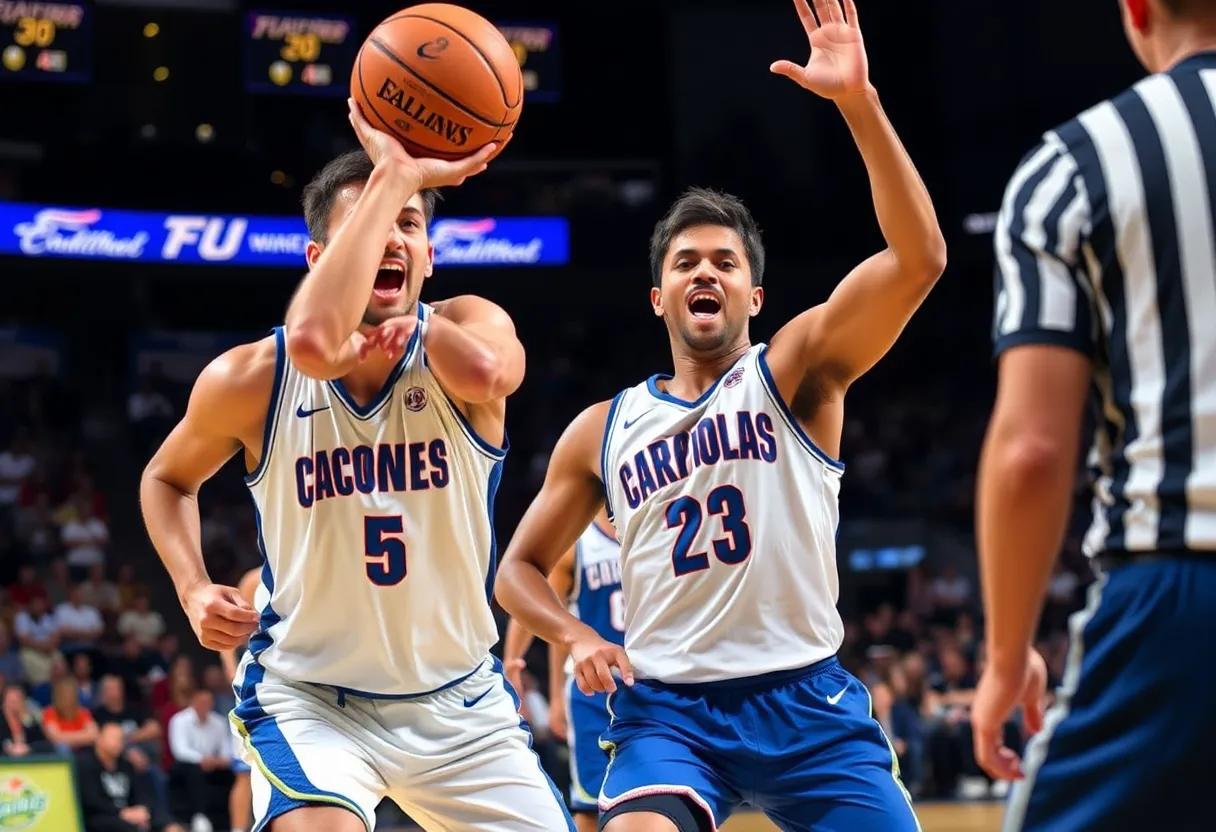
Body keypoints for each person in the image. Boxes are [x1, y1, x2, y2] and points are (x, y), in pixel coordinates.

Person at [494, 1, 946, 829]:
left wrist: (858, 104)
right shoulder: (602, 428)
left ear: (754, 294)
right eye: (686, 260)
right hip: (669, 714)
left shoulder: (799, 369)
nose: (707, 270)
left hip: (806, 703)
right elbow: (516, 571)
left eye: (726, 261)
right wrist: (577, 636)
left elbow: (920, 258)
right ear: (659, 294)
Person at [139, 101, 574, 832]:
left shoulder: (469, 326)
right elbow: (165, 478)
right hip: (311, 697)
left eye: (409, 222)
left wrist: (417, 323)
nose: (394, 235)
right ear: (321, 260)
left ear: (430, 255)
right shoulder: (253, 377)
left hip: (458, 700)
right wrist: (189, 588)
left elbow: (497, 372)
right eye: (372, 221)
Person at [972, 1, 1216, 830]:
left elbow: (1034, 451)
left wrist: (1007, 656)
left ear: (1137, 9)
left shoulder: (1075, 166)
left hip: (1181, 595)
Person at [502, 509, 622, 832]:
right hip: (593, 692)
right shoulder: (578, 542)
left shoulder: (654, 523)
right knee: (589, 805)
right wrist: (555, 694)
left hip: (651, 683)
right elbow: (547, 613)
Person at [78, 722, 185, 832]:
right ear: (99, 740)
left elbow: (140, 792)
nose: (118, 743)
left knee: (170, 825)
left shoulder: (126, 765)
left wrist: (142, 809)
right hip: (103, 816)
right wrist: (122, 812)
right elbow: (92, 801)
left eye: (121, 739)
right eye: (113, 738)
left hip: (131, 811)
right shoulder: (86, 766)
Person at [218, 568, 260, 832]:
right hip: (255, 683)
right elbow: (227, 638)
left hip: (300, 683)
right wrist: (235, 675)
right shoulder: (254, 580)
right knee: (244, 771)